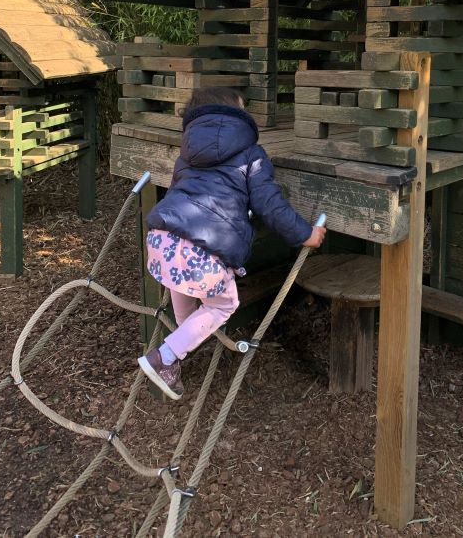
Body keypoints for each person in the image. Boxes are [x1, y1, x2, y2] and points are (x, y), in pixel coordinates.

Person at [138, 87, 326, 400]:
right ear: (238, 117)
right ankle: (165, 358)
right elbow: (270, 204)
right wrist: (304, 233)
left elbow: (176, 192)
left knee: (181, 278)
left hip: (162, 241)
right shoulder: (251, 155)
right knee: (224, 304)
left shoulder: (187, 152)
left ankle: (186, 337)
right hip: (201, 254)